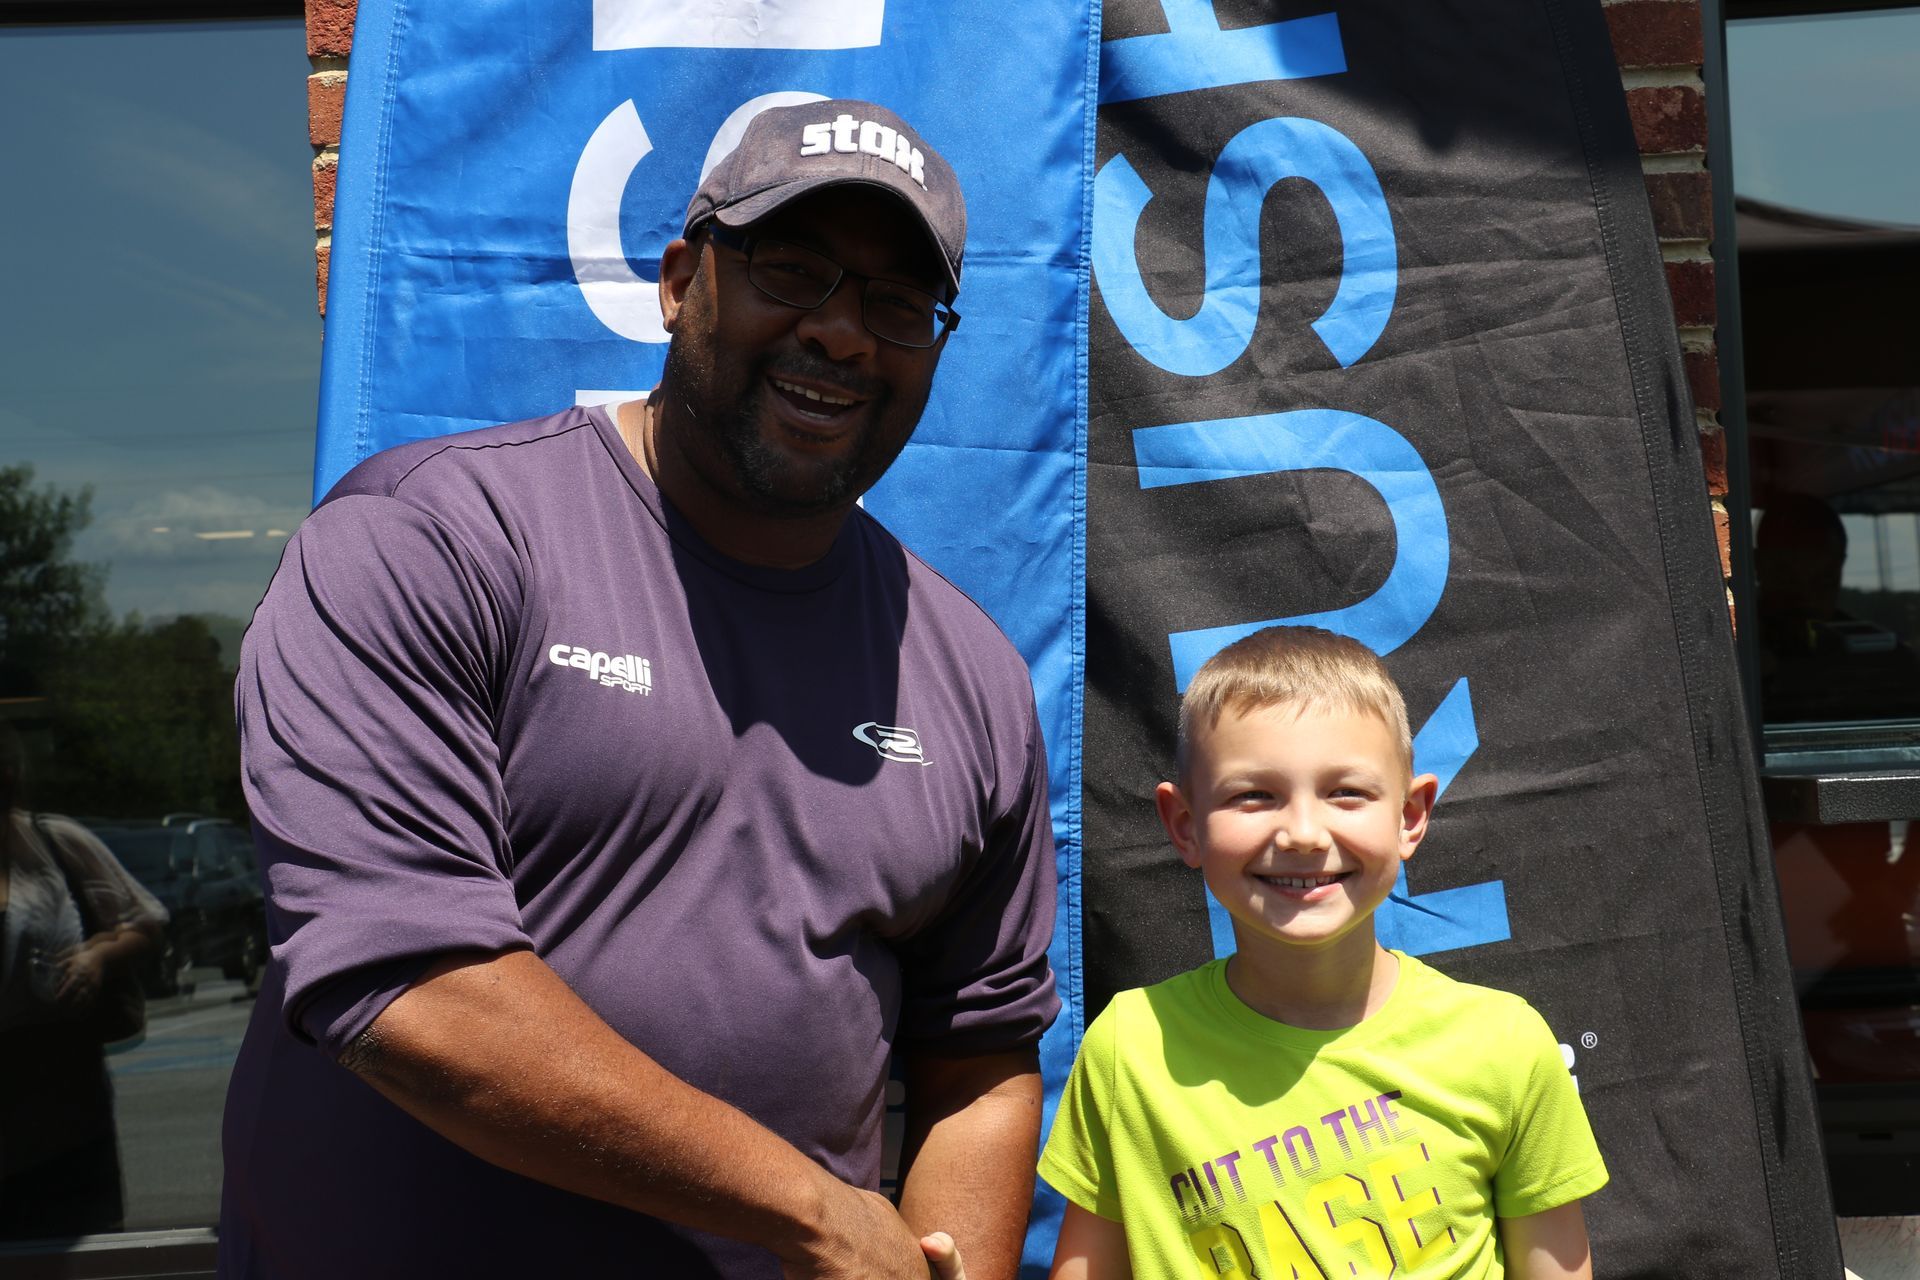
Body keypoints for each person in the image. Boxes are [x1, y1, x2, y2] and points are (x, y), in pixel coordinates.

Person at [220, 99, 1056, 1279]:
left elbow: (980, 1057)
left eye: (897, 304)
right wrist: (814, 1210)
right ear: (678, 283)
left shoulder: (970, 672)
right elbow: (407, 985)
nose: (841, 333)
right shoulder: (434, 539)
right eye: (791, 269)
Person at [1039, 626, 1608, 1279]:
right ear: (1186, 826)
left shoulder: (1506, 1045)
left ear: (1410, 816)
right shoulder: (1129, 1051)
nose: (1304, 834)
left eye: (1346, 793)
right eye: (1254, 796)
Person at [0, 727, 166, 1239]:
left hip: (65, 1082)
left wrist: (98, 957)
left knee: (82, 1236)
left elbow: (145, 921)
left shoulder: (53, 840)